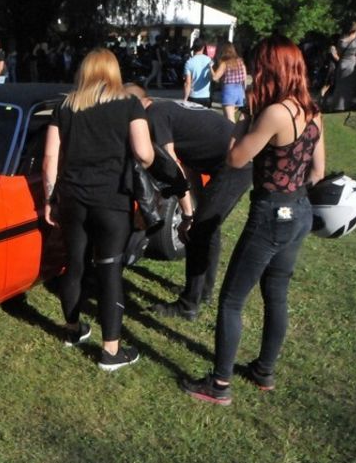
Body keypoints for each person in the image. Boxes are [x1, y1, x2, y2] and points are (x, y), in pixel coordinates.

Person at [181, 35, 326, 405]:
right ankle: (264, 370)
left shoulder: (274, 112)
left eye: (260, 65)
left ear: (272, 67)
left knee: (231, 300)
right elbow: (317, 172)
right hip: (300, 211)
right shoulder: (312, 110)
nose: (255, 71)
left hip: (271, 214)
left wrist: (244, 120)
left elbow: (234, 159)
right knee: (276, 293)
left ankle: (219, 385)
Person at [42, 48, 154, 371]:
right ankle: (111, 351)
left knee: (74, 263)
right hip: (112, 200)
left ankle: (72, 329)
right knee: (109, 270)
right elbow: (145, 154)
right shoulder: (129, 104)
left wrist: (49, 199)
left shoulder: (65, 106)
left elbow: (50, 159)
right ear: (113, 72)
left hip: (73, 198)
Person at [126, 85, 252, 321]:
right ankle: (202, 291)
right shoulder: (168, 109)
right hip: (232, 160)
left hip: (233, 165)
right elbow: (189, 160)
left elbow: (171, 163)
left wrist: (187, 216)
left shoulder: (153, 116)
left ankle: (188, 305)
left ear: (144, 103)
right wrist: (194, 205)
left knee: (199, 231)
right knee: (207, 229)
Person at [328, 21, 356, 111]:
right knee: (349, 86)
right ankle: (346, 105)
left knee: (339, 86)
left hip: (342, 63)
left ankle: (336, 106)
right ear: (355, 31)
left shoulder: (341, 41)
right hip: (352, 64)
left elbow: (339, 53)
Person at [212, 43, 247, 121]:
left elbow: (215, 78)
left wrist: (210, 68)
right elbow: (244, 78)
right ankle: (239, 131)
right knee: (237, 118)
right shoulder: (240, 62)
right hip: (239, 91)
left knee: (229, 120)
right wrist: (243, 93)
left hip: (229, 92)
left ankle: (233, 133)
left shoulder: (225, 63)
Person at [184, 38, 213, 108]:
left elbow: (188, 83)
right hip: (206, 96)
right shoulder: (209, 60)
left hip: (193, 96)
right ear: (203, 47)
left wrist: (185, 98)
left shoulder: (189, 62)